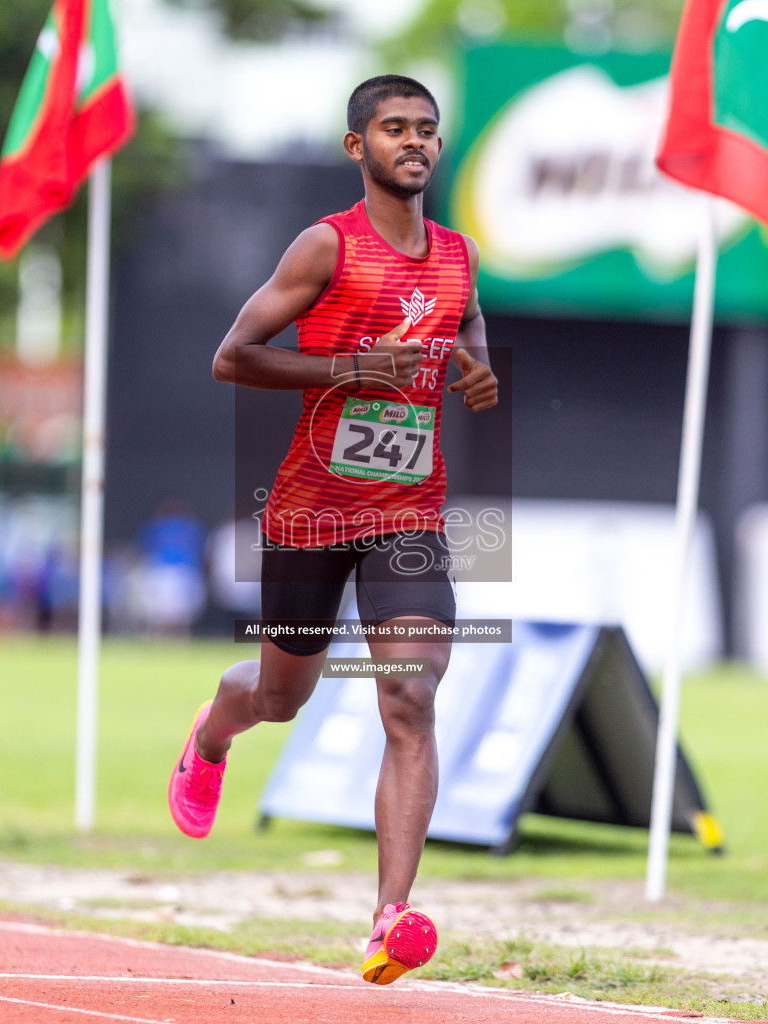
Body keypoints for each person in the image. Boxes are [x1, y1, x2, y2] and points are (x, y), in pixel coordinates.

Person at [166, 74, 498, 985]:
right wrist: (349, 365)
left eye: (427, 130)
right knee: (281, 696)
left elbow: (462, 321)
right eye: (395, 129)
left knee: (410, 697)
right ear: (359, 146)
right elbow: (233, 358)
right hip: (313, 513)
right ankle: (212, 735)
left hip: (410, 515)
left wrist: (472, 368)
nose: (415, 143)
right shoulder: (325, 247)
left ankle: (390, 919)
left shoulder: (460, 255)